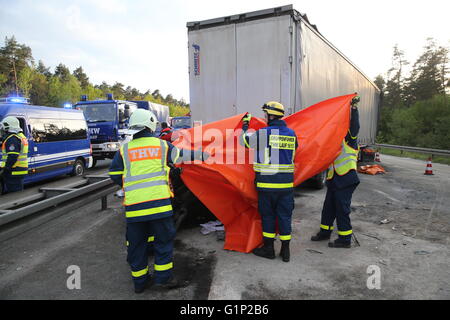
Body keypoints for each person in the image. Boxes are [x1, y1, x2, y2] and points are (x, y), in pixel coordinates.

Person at [109, 109, 207, 293]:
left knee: (137, 245)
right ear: (151, 125)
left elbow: (114, 174)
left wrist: (129, 182)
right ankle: (163, 279)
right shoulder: (162, 146)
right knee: (163, 242)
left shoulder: (124, 150)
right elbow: (183, 155)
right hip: (159, 206)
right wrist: (203, 154)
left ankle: (140, 283)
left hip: (134, 209)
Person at [241, 101, 298, 262]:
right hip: (286, 186)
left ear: (271, 116)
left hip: (266, 185)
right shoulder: (291, 134)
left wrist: (245, 125)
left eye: (266, 114)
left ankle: (269, 249)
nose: (264, 117)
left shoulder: (263, 133)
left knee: (268, 217)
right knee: (285, 217)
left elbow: (245, 142)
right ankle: (285, 251)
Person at [311, 96, 360, 248]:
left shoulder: (350, 138)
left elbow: (355, 126)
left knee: (341, 210)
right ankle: (325, 232)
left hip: (346, 179)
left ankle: (345, 240)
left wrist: (354, 109)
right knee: (328, 208)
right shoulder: (334, 140)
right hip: (334, 179)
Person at [0, 116, 29, 195]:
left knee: (15, 195)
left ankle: (18, 207)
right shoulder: (20, 136)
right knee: (17, 192)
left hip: (14, 170)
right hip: (19, 169)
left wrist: (6, 169)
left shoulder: (12, 138)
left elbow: (12, 156)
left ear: (8, 126)